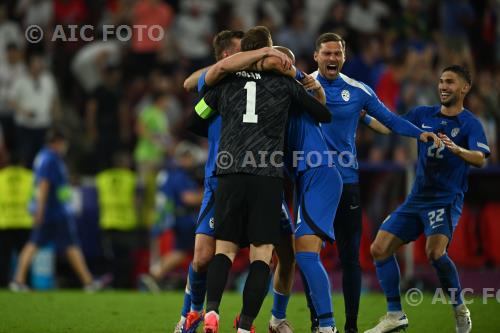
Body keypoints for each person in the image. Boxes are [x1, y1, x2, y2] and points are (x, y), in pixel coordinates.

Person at [198, 26, 331, 333]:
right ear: (270, 49)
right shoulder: (285, 84)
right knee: (262, 254)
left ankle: (212, 312)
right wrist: (308, 86)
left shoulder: (226, 80)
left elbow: (197, 115)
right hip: (266, 174)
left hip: (229, 173)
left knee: (225, 251)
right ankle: (245, 325)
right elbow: (322, 114)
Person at [309, 33, 439, 333]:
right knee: (307, 255)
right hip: (313, 183)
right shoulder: (301, 85)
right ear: (316, 55)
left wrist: (419, 133)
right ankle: (319, 323)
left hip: (347, 183)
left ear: (344, 57)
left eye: (337, 53)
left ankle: (351, 327)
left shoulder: (358, 91)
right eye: (326, 53)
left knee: (350, 257)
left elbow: (390, 120)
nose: (332, 58)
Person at [177, 30, 295, 333]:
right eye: (246, 51)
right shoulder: (219, 83)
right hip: (220, 181)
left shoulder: (262, 86)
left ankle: (277, 318)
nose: (259, 56)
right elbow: (189, 84)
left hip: (262, 177)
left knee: (285, 253)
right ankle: (189, 316)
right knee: (203, 257)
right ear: (229, 57)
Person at [363, 65, 489, 333]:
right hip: (416, 199)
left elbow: (480, 158)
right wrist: (362, 116)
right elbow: (388, 128)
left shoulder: (470, 124)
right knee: (379, 248)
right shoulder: (422, 115)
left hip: (444, 200)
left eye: (450, 82)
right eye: (441, 81)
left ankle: (459, 308)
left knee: (434, 252)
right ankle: (395, 314)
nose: (443, 86)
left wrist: (458, 150)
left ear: (465, 87)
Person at [9, 127, 101, 292]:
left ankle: (88, 281)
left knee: (65, 245)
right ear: (57, 142)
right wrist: (40, 210)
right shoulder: (49, 159)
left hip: (55, 211)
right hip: (53, 212)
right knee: (40, 244)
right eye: (63, 143)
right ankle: (18, 280)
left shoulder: (45, 157)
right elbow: (44, 185)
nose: (65, 146)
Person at [140, 141, 203, 292]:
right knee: (190, 251)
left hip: (179, 219)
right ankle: (156, 275)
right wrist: (209, 193)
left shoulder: (175, 174)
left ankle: (155, 275)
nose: (190, 160)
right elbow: (187, 198)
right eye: (186, 157)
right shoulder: (180, 176)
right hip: (184, 219)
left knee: (184, 251)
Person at [0, 154, 33, 286]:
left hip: (4, 222)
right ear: (21, 163)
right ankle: (25, 282)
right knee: (25, 256)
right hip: (24, 221)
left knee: (3, 257)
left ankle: (2, 284)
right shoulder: (30, 177)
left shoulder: (1, 177)